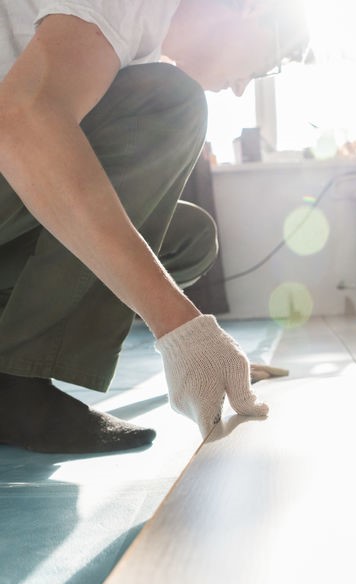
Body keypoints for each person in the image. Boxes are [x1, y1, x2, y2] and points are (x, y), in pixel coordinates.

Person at [0, 0, 309, 453]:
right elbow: (24, 116)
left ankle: (14, 356)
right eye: (261, 69)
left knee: (188, 238)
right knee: (170, 100)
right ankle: (15, 390)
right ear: (253, 12)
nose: (242, 90)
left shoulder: (137, 44)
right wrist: (180, 327)